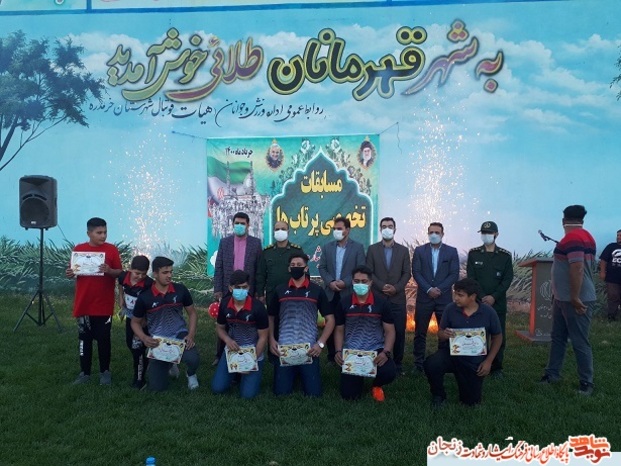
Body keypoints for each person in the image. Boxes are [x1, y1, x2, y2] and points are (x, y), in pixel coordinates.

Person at [540, 205, 596, 395]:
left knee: (579, 341)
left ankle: (586, 382)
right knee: (558, 337)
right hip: (562, 298)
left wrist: (574, 297)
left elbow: (577, 267)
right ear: (582, 220)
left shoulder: (572, 238)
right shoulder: (587, 236)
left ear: (563, 221)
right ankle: (552, 374)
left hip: (575, 299)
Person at [424, 278, 502, 407]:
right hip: (451, 354)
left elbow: (497, 337)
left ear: (473, 296)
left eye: (460, 295)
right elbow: (440, 333)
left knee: (470, 402)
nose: (456, 298)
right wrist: (444, 334)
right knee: (432, 363)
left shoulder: (488, 312)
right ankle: (438, 395)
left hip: (475, 358)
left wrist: (488, 361)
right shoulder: (450, 309)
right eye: (455, 294)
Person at [65, 217, 122, 385]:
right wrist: (70, 273)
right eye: (99, 232)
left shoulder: (111, 250)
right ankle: (85, 372)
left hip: (103, 305)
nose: (103, 236)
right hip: (83, 304)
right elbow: (73, 271)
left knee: (104, 339)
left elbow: (120, 272)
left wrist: (109, 270)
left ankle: (105, 371)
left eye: (105, 232)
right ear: (89, 233)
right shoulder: (79, 249)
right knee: (84, 339)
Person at [269, 252, 334, 396]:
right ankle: (294, 373)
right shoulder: (280, 290)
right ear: (289, 268)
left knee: (314, 394)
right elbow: (270, 317)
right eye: (292, 265)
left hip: (309, 350)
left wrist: (320, 344)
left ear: (306, 268)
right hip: (284, 348)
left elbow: (330, 320)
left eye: (299, 265)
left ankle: (300, 372)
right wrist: (272, 340)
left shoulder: (317, 290)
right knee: (281, 393)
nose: (295, 267)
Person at [132, 256, 200, 392]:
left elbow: (192, 313)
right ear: (155, 274)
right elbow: (135, 322)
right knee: (157, 388)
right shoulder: (145, 297)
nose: (169, 275)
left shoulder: (180, 290)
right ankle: (171, 363)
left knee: (193, 359)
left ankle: (191, 374)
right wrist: (144, 338)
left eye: (171, 272)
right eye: (165, 272)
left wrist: (191, 335)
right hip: (158, 341)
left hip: (180, 335)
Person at [334, 265, 397, 401]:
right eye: (356, 281)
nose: (360, 284)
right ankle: (358, 379)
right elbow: (339, 330)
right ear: (352, 282)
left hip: (375, 350)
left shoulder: (381, 303)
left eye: (364, 281)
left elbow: (390, 331)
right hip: (352, 352)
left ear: (371, 283)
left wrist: (385, 352)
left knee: (389, 372)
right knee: (350, 396)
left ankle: (376, 385)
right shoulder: (344, 302)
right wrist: (338, 351)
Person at [213, 211, 262, 365]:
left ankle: (249, 352)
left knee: (247, 322)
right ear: (232, 224)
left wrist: (258, 291)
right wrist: (218, 289)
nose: (239, 226)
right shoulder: (225, 242)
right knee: (224, 322)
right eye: (237, 223)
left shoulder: (255, 243)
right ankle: (220, 355)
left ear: (248, 225)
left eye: (242, 223)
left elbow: (258, 269)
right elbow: (219, 267)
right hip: (229, 288)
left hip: (247, 289)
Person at [466, 221, 513, 378]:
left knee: (498, 335)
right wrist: (482, 297)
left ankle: (496, 367)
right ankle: (478, 363)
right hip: (478, 303)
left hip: (497, 303)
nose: (485, 236)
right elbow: (471, 277)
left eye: (489, 233)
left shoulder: (505, 256)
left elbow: (507, 279)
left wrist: (494, 296)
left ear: (496, 235)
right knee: (479, 334)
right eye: (483, 233)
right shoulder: (474, 254)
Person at [211, 270, 268, 399]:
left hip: (253, 352)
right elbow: (220, 328)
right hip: (232, 350)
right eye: (237, 287)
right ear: (230, 288)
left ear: (248, 287)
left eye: (244, 287)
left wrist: (251, 360)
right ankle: (235, 373)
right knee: (217, 388)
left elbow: (263, 337)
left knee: (248, 395)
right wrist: (227, 340)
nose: (241, 290)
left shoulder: (258, 307)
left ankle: (245, 375)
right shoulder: (224, 304)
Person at [411, 222, 459, 374]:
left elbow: (454, 274)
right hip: (424, 298)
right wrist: (429, 289)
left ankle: (442, 362)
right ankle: (418, 363)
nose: (434, 235)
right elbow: (416, 272)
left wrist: (440, 289)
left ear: (442, 234)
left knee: (444, 332)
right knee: (420, 332)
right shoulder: (420, 251)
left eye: (437, 232)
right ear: (428, 233)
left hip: (443, 299)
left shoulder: (451, 251)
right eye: (431, 232)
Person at [366, 216, 411, 375]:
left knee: (399, 331)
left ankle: (397, 364)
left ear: (395, 229)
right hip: (378, 297)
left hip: (397, 298)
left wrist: (396, 288)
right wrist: (381, 286)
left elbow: (407, 273)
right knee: (377, 331)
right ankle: (377, 360)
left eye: (390, 226)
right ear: (380, 229)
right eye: (384, 226)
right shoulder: (372, 249)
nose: (387, 229)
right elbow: (369, 272)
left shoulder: (403, 250)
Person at [317, 216, 366, 363]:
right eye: (334, 229)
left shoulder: (358, 248)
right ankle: (332, 356)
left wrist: (345, 282)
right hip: (331, 292)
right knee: (330, 323)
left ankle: (349, 353)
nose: (336, 231)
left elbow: (360, 269)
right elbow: (322, 267)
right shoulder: (327, 247)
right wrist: (330, 282)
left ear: (347, 230)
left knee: (349, 324)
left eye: (339, 228)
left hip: (348, 292)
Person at [117, 255, 154, 389]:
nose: (140, 277)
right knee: (130, 343)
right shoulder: (123, 276)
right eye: (137, 273)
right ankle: (153, 360)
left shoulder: (149, 284)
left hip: (142, 319)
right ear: (130, 269)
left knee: (138, 347)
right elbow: (120, 285)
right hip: (130, 316)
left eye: (143, 274)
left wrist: (145, 318)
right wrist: (121, 298)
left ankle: (139, 380)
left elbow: (152, 302)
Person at [256, 220, 305, 307]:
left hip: (292, 293)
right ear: (274, 232)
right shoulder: (267, 252)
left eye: (283, 229)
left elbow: (304, 273)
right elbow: (261, 275)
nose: (280, 231)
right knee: (272, 315)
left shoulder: (296, 251)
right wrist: (260, 294)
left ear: (288, 232)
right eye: (277, 229)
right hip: (272, 294)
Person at [598, 229, 621, 321]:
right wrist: (602, 272)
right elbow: (603, 260)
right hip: (612, 278)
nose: (618, 237)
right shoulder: (611, 247)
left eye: (620, 235)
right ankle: (611, 317)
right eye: (618, 235)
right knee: (613, 297)